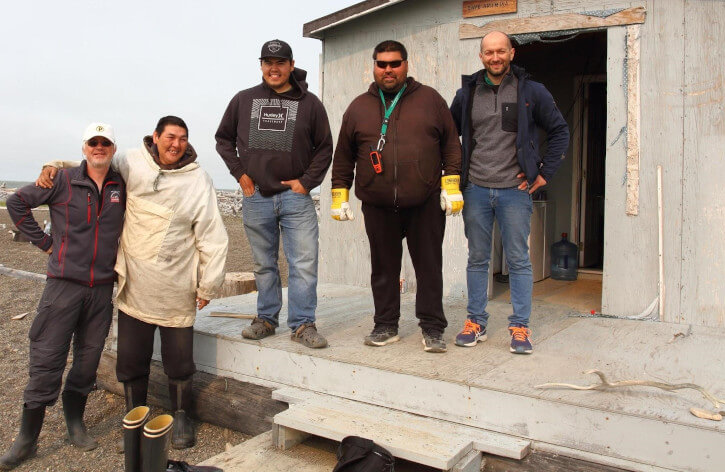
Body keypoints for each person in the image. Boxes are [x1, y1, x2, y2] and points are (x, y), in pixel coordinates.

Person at [37, 116, 228, 450]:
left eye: (183, 138)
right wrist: (54, 165)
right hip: (135, 283)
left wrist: (208, 284)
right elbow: (96, 165)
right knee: (130, 361)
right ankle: (134, 417)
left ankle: (182, 416)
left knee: (179, 362)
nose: (176, 144)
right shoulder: (131, 162)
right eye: (170, 137)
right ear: (155, 137)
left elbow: (211, 235)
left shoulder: (199, 180)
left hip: (176, 282)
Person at [0, 123, 126, 470]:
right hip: (63, 286)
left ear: (113, 148)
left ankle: (75, 424)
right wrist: (45, 242)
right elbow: (17, 203)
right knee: (47, 357)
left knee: (87, 360)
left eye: (105, 142)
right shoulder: (63, 180)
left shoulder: (120, 184)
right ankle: (27, 440)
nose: (99, 147)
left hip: (100, 290)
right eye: (93, 142)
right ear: (85, 147)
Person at [330, 40, 462, 352]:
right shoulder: (358, 107)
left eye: (395, 63)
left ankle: (432, 328)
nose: (388, 69)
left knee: (429, 267)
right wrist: (339, 194)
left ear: (406, 65)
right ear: (374, 66)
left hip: (425, 202)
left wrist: (452, 184)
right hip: (377, 205)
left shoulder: (431, 100)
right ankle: (386, 325)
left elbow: (452, 146)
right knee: (383, 268)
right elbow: (344, 157)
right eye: (382, 64)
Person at [450, 31, 569, 354]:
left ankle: (520, 327)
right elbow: (449, 137)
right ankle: (476, 322)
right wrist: (451, 179)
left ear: (512, 53)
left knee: (518, 259)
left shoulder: (531, 91)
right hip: (475, 188)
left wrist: (544, 174)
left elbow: (560, 131)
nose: (495, 57)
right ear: (481, 56)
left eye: (501, 51)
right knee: (478, 258)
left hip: (515, 192)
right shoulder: (468, 93)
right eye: (489, 52)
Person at [215, 39, 333, 349]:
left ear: (291, 66)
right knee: (263, 264)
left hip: (296, 197)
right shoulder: (243, 100)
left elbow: (324, 147)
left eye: (280, 62)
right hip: (257, 198)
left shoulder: (310, 104)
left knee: (304, 263)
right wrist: (239, 174)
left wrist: (306, 182)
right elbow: (223, 140)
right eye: (267, 62)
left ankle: (303, 324)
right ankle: (266, 319)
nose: (274, 68)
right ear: (261, 66)